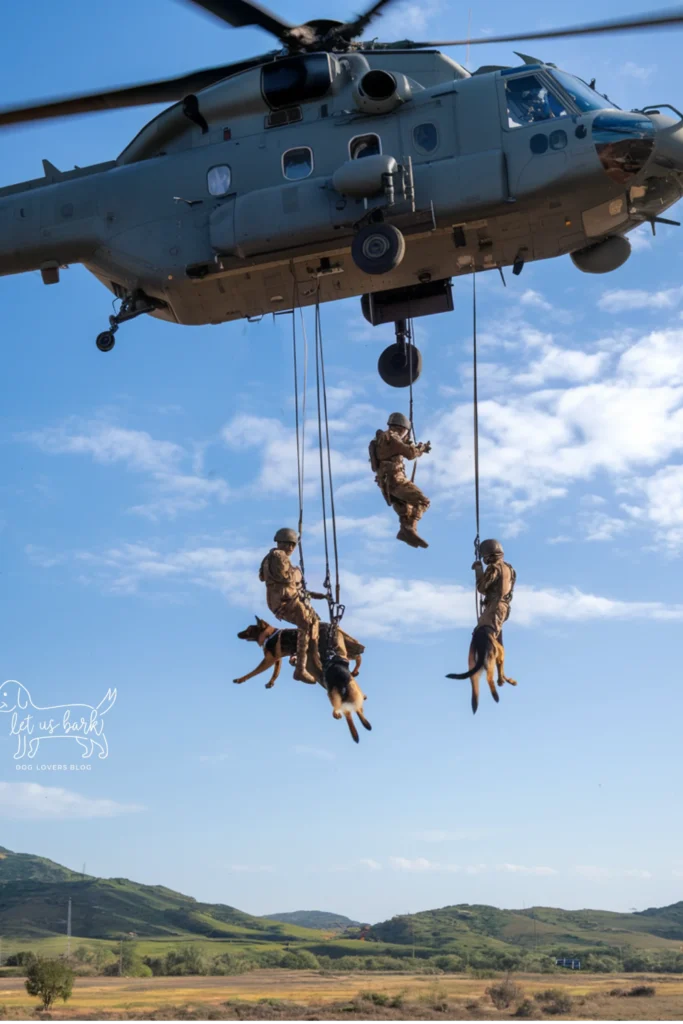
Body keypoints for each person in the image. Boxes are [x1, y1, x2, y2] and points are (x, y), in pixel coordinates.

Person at [259, 528, 326, 683]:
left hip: (282, 599)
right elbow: (286, 579)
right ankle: (303, 666)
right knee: (308, 622)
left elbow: (292, 586)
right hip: (285, 600)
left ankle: (309, 659)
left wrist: (317, 595)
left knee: (312, 622)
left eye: (292, 545)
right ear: (279, 542)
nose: (290, 548)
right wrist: (297, 572)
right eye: (287, 544)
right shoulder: (278, 555)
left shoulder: (269, 558)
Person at [369, 412, 431, 548]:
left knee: (405, 509)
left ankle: (406, 532)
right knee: (423, 501)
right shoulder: (392, 437)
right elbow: (410, 454)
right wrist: (421, 448)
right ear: (402, 429)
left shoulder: (380, 439)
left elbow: (393, 451)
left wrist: (407, 443)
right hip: (395, 481)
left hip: (386, 484)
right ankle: (410, 528)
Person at [472, 539, 516, 637]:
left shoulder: (494, 568)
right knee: (490, 635)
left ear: (489, 556)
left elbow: (482, 587)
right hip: (503, 608)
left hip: (494, 607)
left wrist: (478, 570)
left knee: (482, 636)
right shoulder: (509, 568)